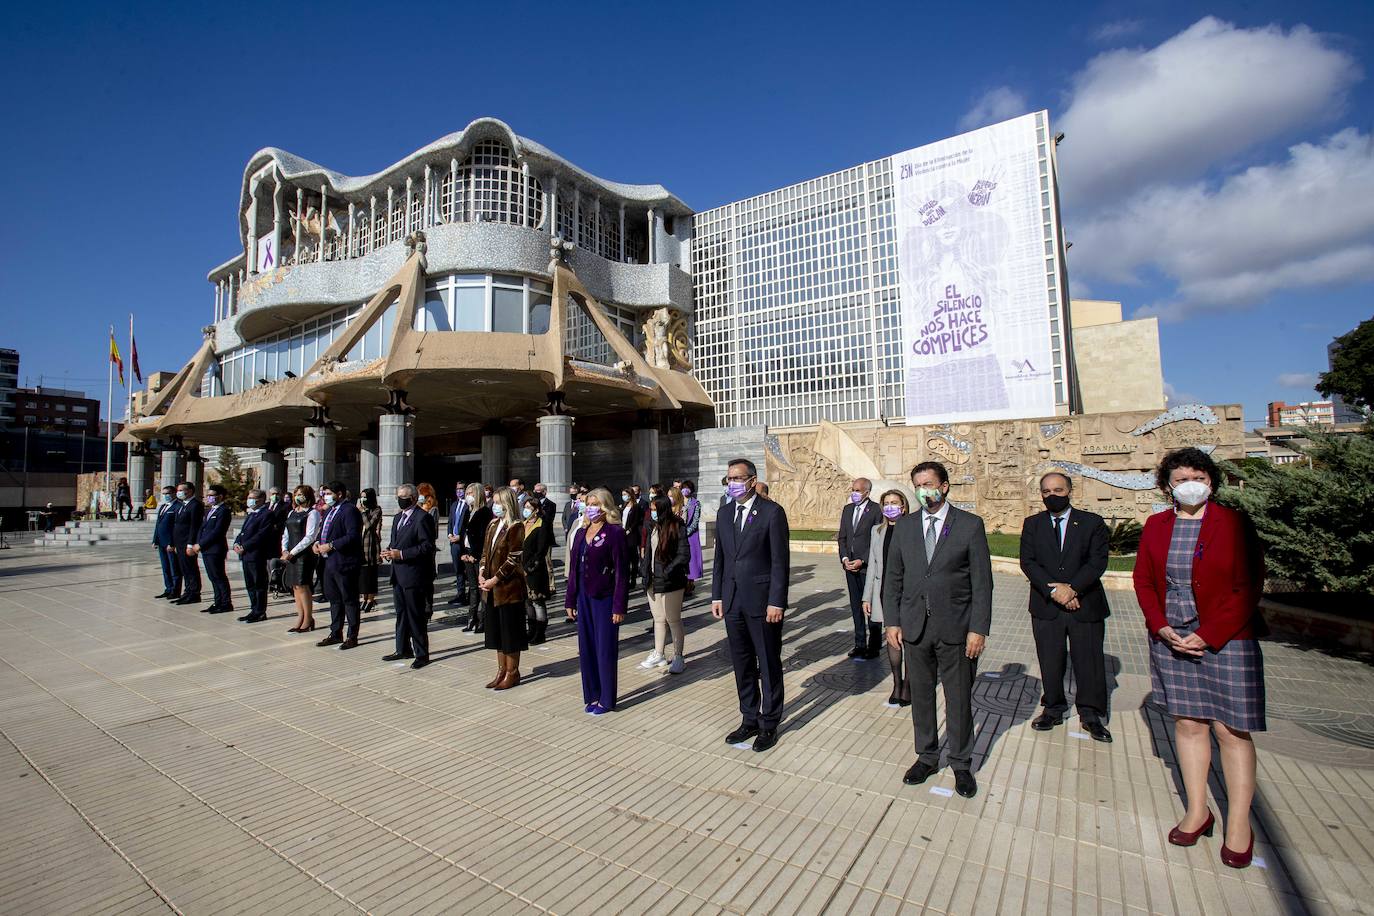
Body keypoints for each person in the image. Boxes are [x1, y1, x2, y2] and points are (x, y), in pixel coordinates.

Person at [1134, 447, 1266, 869]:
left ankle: (1239, 823)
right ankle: (1197, 811)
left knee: (1231, 731)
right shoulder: (1157, 525)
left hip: (1226, 640)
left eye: (1200, 476)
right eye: (1181, 477)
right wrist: (1160, 625)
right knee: (1189, 724)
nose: (1191, 483)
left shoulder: (1233, 524)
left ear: (1211, 482)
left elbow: (1248, 585)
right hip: (1171, 636)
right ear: (1168, 486)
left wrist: (1208, 635)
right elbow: (1144, 581)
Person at [882, 461, 991, 799]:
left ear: (944, 486)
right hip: (915, 628)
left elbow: (982, 583)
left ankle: (960, 762)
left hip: (955, 629)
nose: (923, 490)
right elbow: (893, 579)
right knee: (922, 697)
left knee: (958, 698)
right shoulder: (905, 527)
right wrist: (892, 621)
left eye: (929, 483)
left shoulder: (969, 526)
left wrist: (978, 629)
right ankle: (927, 756)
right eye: (917, 484)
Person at [1019, 472, 1113, 742]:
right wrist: (1054, 590)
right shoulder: (1033, 524)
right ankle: (1053, 707)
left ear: (1070, 490)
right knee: (1050, 660)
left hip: (1084, 604)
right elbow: (1028, 562)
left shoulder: (1090, 523)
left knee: (1089, 661)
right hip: (1047, 606)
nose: (1052, 496)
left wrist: (1072, 589)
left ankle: (1091, 712)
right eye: (1047, 491)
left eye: (1058, 490)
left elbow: (1097, 561)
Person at [712, 458, 790, 752]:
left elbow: (781, 562)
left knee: (767, 662)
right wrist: (717, 595)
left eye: (737, 478)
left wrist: (776, 601)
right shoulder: (724, 513)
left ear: (752, 480)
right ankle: (749, 717)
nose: (732, 483)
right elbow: (721, 558)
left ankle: (769, 723)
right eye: (729, 478)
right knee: (742, 662)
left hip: (762, 602)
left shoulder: (772, 513)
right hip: (732, 600)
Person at [565, 487, 630, 714]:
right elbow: (573, 569)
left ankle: (606, 698)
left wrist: (619, 605)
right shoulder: (581, 533)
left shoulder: (615, 533)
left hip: (605, 598)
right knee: (587, 648)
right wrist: (570, 600)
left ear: (605, 506)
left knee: (605, 649)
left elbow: (622, 572)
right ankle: (592, 694)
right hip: (583, 596)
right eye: (588, 504)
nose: (591, 508)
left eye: (595, 504)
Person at [862, 489, 911, 707]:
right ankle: (897, 684)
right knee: (891, 638)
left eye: (895, 503)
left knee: (909, 639)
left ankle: (909, 685)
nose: (890, 507)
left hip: (909, 592)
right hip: (884, 591)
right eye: (887, 503)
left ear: (903, 506)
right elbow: (872, 565)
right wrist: (867, 597)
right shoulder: (877, 531)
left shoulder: (912, 527)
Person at [381, 484, 437, 669]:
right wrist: (389, 551)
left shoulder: (423, 518)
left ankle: (422, 653)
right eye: (398, 496)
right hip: (398, 574)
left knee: (415, 616)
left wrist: (402, 554)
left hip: (414, 575)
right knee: (401, 614)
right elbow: (395, 542)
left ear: (413, 498)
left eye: (403, 496)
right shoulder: (398, 517)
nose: (400, 499)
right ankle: (402, 648)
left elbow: (427, 546)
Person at [480, 486, 527, 689]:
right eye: (494, 502)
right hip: (491, 590)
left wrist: (495, 579)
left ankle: (512, 672)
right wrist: (482, 571)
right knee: (496, 632)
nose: (495, 506)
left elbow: (513, 559)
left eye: (499, 502)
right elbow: (485, 552)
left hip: (508, 590)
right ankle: (500, 670)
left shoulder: (516, 526)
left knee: (510, 633)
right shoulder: (492, 524)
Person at [640, 494, 691, 674]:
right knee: (658, 619)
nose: (652, 513)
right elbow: (648, 552)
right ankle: (659, 653)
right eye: (651, 510)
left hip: (671, 581)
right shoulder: (653, 526)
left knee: (673, 619)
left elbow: (684, 554)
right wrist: (644, 571)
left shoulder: (677, 525)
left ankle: (678, 656)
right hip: (653, 580)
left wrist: (668, 570)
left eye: (655, 510)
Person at [314, 481, 364, 650]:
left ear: (339, 494)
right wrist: (317, 543)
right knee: (334, 599)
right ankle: (336, 632)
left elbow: (353, 536)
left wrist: (332, 545)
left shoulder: (349, 510)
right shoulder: (329, 511)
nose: (325, 497)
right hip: (329, 562)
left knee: (349, 599)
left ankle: (352, 636)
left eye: (328, 493)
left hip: (345, 562)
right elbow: (323, 532)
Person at [838, 477, 881, 659]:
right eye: (853, 489)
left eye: (858, 490)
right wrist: (845, 558)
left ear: (867, 492)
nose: (854, 493)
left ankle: (874, 645)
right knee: (856, 607)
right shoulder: (848, 510)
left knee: (871, 607)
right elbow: (843, 538)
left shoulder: (876, 510)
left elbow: (877, 539)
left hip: (867, 567)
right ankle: (859, 643)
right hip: (850, 567)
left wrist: (862, 560)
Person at [281, 485, 320, 633]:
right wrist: (284, 549)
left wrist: (293, 552)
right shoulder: (292, 512)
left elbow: (310, 536)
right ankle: (300, 616)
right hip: (290, 553)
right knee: (295, 586)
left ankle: (308, 619)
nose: (298, 497)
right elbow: (286, 533)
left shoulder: (312, 513)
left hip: (303, 554)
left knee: (303, 585)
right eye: (296, 494)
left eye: (302, 494)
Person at [233, 489, 275, 622]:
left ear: (261, 499)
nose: (250, 500)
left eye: (253, 498)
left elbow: (261, 535)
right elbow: (243, 532)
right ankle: (253, 609)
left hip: (256, 554)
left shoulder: (266, 514)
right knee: (250, 584)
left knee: (259, 584)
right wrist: (237, 543)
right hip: (246, 555)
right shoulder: (251, 514)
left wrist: (245, 546)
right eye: (249, 497)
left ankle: (260, 611)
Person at [190, 484, 233, 614]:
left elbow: (217, 531)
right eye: (208, 495)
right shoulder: (210, 510)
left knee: (219, 576)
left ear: (220, 496)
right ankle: (217, 601)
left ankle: (226, 603)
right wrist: (197, 542)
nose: (209, 497)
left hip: (215, 548)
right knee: (212, 577)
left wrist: (201, 544)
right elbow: (202, 528)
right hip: (207, 549)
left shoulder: (224, 510)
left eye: (212, 495)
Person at [459, 483, 494, 632]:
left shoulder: (484, 512)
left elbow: (483, 536)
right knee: (472, 588)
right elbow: (463, 533)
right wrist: (464, 553)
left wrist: (475, 555)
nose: (468, 496)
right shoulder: (468, 511)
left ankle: (483, 621)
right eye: (467, 493)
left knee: (482, 589)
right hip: (467, 552)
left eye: (471, 493)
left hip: (478, 555)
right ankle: (471, 618)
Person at [520, 495, 554, 644]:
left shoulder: (542, 526)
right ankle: (531, 630)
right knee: (527, 602)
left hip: (534, 570)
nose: (526, 510)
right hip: (521, 569)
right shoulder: (523, 524)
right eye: (525, 507)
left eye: (529, 508)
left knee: (537, 601)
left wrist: (529, 567)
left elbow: (541, 552)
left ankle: (540, 633)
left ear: (536, 510)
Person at [171, 482, 203, 605]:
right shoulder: (183, 505)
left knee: (191, 568)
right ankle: (188, 592)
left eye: (181, 490)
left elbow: (194, 526)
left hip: (187, 543)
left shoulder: (195, 505)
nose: (178, 492)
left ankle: (194, 593)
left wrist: (190, 544)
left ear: (189, 491)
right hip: (179, 543)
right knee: (184, 569)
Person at [152, 485, 182, 600]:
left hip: (170, 543)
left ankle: (175, 590)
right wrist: (155, 539)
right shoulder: (163, 507)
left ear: (174, 493)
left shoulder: (178, 506)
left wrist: (172, 542)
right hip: (161, 542)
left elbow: (176, 527)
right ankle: (168, 588)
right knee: (165, 567)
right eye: (164, 494)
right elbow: (158, 525)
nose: (166, 496)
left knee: (174, 566)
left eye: (168, 493)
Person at [358, 488, 384, 614]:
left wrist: (363, 512)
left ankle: (370, 600)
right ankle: (364, 598)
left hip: (371, 547)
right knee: (362, 575)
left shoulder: (376, 510)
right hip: (360, 546)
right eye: (361, 497)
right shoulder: (360, 511)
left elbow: (369, 525)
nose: (362, 499)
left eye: (365, 497)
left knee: (371, 575)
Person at [446, 480, 471, 607]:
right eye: (457, 489)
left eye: (461, 489)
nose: (459, 491)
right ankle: (460, 594)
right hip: (454, 542)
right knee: (458, 570)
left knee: (468, 570)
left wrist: (460, 537)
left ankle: (470, 596)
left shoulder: (469, 506)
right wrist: (450, 534)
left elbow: (468, 526)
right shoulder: (454, 505)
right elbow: (450, 521)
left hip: (464, 543)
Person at [681, 480, 703, 597]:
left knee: (691, 561)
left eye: (687, 488)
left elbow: (695, 521)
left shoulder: (696, 503)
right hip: (680, 536)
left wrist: (686, 532)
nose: (685, 490)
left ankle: (689, 584)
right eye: (683, 488)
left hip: (691, 536)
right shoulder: (679, 502)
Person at [622, 486, 646, 589]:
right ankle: (626, 578)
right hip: (623, 533)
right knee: (625, 558)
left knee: (633, 558)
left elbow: (636, 521)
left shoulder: (636, 507)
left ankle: (633, 579)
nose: (624, 497)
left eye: (625, 495)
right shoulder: (624, 506)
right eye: (622, 495)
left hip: (631, 534)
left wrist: (629, 530)